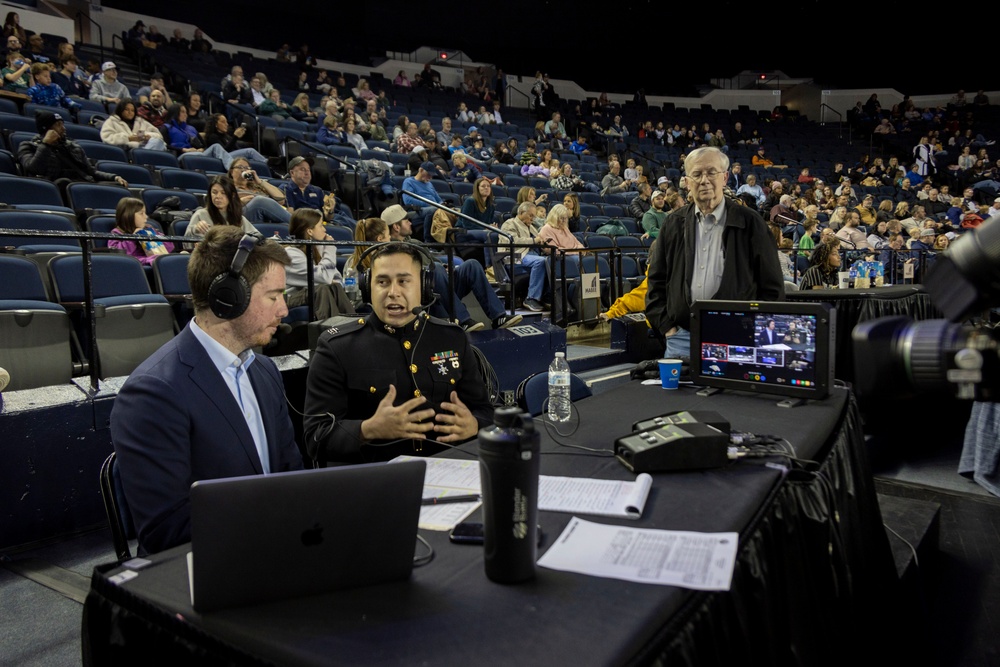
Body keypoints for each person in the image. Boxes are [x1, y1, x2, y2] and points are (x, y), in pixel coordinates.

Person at [111, 226, 303, 554]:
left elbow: (291, 476)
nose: (283, 310)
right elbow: (166, 531)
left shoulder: (265, 371)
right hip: (202, 571)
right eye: (273, 296)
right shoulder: (152, 393)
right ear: (228, 298)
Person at [303, 242, 494, 464]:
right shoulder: (337, 347)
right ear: (368, 288)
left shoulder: (452, 337)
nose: (393, 292)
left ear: (423, 286)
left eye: (404, 281)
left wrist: (474, 424)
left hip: (450, 469)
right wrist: (367, 430)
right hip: (377, 481)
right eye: (382, 282)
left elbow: (485, 411)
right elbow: (315, 438)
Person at [645, 147, 784, 358]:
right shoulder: (673, 223)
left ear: (725, 177)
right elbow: (656, 283)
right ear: (688, 182)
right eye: (697, 174)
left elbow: (772, 288)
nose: (704, 180)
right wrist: (667, 328)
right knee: (681, 393)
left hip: (738, 338)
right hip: (682, 340)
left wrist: (755, 331)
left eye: (711, 172)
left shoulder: (751, 222)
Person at [382, 205, 521, 331]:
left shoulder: (414, 242)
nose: (411, 223)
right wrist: (437, 269)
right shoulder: (393, 250)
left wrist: (445, 267)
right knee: (435, 268)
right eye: (407, 221)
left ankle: (499, 317)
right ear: (396, 227)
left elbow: (433, 261)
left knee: (471, 264)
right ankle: (463, 320)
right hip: (424, 292)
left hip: (441, 285)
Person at [18, 111, 128, 187]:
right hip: (59, 187)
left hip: (84, 182)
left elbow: (91, 171)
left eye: (63, 124)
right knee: (64, 183)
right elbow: (33, 168)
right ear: (46, 129)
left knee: (119, 185)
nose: (63, 128)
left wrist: (114, 177)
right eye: (58, 125)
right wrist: (46, 144)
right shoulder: (28, 146)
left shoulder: (72, 146)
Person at [285, 208, 353, 319]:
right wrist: (330, 247)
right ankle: (330, 330)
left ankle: (351, 326)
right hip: (289, 299)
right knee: (323, 289)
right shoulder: (291, 255)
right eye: (321, 226)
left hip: (311, 293)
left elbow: (336, 277)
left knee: (333, 286)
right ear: (310, 231)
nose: (325, 230)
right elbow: (325, 278)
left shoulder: (316, 249)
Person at [184, 176, 259, 249]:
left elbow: (257, 237)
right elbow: (185, 243)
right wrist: (195, 229)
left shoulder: (238, 217)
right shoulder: (200, 214)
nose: (218, 196)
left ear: (232, 195)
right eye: (214, 192)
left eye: (223, 193)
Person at [500, 201, 549, 311]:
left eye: (534, 216)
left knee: (551, 261)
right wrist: (533, 240)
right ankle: (531, 298)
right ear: (521, 212)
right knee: (540, 262)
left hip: (529, 256)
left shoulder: (531, 227)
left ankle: (547, 297)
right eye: (530, 215)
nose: (533, 219)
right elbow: (512, 241)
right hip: (513, 257)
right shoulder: (509, 223)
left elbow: (539, 240)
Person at [108, 197, 175, 265]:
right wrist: (133, 238)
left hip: (155, 263)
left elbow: (170, 247)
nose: (146, 216)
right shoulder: (116, 233)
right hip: (135, 265)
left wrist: (154, 237)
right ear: (128, 215)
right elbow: (119, 255)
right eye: (141, 213)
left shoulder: (149, 229)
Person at [229, 157, 288, 224]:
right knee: (259, 201)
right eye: (240, 167)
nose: (243, 170)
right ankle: (297, 223)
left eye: (246, 168)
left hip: (266, 218)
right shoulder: (228, 187)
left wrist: (260, 182)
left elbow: (281, 199)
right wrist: (241, 202)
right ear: (231, 172)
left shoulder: (257, 186)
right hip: (243, 216)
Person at [100, 100, 167, 151]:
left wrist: (148, 136)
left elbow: (159, 136)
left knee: (158, 142)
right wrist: (128, 138)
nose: (130, 112)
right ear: (120, 110)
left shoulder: (141, 121)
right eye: (127, 109)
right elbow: (107, 138)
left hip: (144, 147)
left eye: (132, 110)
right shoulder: (111, 121)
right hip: (125, 150)